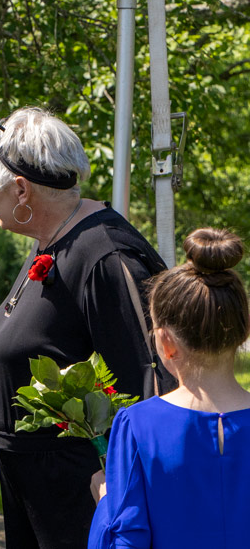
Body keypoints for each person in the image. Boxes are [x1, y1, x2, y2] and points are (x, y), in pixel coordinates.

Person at [0, 107, 175, 549]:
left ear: (20, 189)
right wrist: (12, 385)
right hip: (37, 486)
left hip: (79, 494)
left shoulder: (105, 255)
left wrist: (117, 490)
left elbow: (150, 378)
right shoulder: (54, 239)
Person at [88, 228, 250, 548]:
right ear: (243, 332)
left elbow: (125, 540)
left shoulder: (136, 425)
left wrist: (106, 501)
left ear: (165, 342)